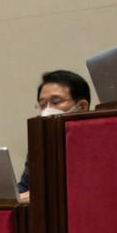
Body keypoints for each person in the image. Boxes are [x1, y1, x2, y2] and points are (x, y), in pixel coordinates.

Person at [18, 70, 91, 201]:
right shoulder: (39, 146)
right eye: (42, 104)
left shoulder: (97, 145)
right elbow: (23, 190)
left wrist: (40, 195)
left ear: (82, 107)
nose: (47, 110)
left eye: (56, 102)